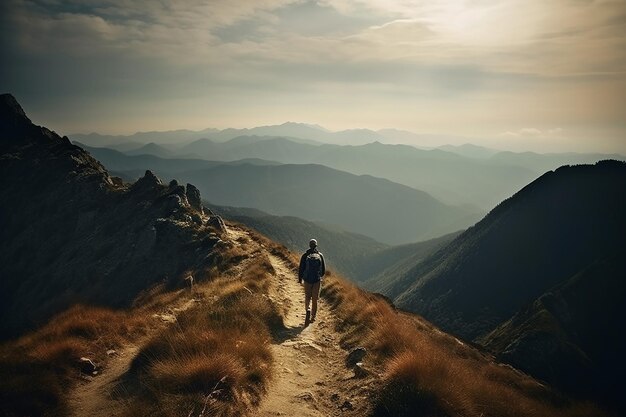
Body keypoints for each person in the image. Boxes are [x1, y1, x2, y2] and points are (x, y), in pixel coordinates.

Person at [298, 238, 326, 323]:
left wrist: (300, 279)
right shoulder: (320, 255)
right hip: (316, 280)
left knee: (307, 297)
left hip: (307, 280)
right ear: (316, 245)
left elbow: (301, 268)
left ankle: (308, 309)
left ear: (309, 245)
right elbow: (323, 270)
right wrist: (319, 277)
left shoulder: (305, 255)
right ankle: (313, 317)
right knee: (315, 299)